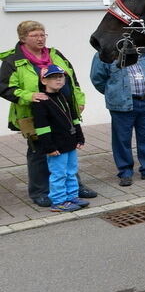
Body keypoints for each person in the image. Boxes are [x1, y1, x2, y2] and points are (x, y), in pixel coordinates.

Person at [0, 21, 96, 207]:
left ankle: (74, 188)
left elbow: (72, 79)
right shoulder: (13, 60)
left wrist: (78, 100)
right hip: (34, 112)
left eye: (43, 34)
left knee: (67, 147)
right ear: (23, 38)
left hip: (62, 109)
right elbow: (4, 88)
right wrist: (28, 95)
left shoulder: (55, 54)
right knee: (39, 151)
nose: (40, 38)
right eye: (34, 35)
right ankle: (40, 191)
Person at [91, 53, 145, 186]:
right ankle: (125, 172)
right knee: (122, 140)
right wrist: (114, 92)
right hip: (121, 104)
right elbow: (97, 79)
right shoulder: (105, 53)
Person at [32, 65, 87, 212]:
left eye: (60, 76)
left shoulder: (64, 96)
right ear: (44, 81)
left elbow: (74, 118)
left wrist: (79, 136)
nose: (58, 79)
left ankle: (72, 196)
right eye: (53, 77)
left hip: (70, 143)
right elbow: (42, 127)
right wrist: (49, 147)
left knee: (71, 171)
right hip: (56, 146)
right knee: (58, 174)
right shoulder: (40, 102)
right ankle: (58, 201)